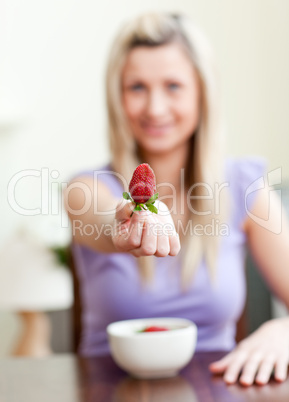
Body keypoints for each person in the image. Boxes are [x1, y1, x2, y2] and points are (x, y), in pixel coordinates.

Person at [64, 12, 289, 386]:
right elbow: (103, 221)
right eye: (137, 87)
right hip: (109, 390)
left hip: (219, 388)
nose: (155, 108)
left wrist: (284, 330)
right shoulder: (85, 189)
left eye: (173, 86)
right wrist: (124, 222)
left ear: (202, 91)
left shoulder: (246, 186)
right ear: (117, 97)